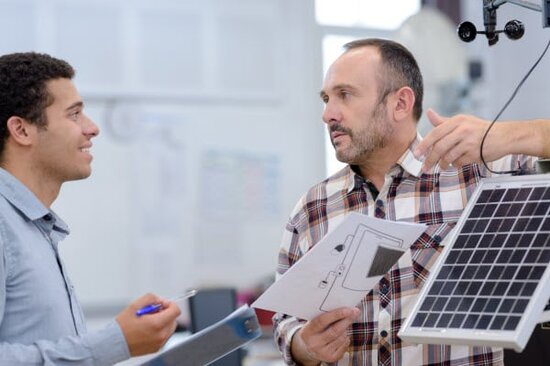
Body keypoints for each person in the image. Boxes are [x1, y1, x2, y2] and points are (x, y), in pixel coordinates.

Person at [273, 38, 550, 366]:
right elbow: (285, 321)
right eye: (325, 98)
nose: (327, 114)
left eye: (344, 95)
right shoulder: (311, 209)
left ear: (401, 104)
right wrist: (303, 346)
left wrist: (510, 136)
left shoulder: (485, 173)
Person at [0, 52, 181, 365]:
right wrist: (115, 342)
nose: (92, 128)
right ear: (22, 130)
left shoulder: (33, 227)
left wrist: (121, 338)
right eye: (74, 115)